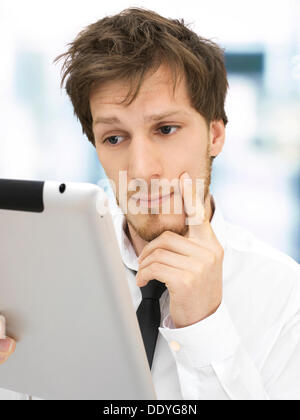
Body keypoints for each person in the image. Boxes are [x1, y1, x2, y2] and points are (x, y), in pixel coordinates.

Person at [1, 7, 300, 400]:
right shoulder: (42, 274)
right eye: (114, 138)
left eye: (165, 129)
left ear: (214, 136)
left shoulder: (285, 296)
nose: (141, 169)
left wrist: (203, 327)